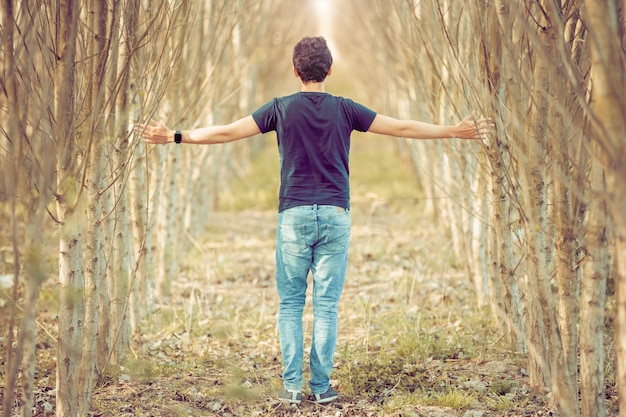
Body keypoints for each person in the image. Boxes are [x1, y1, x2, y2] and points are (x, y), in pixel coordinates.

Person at [135, 36, 491, 405]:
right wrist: (453, 130)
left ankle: (291, 388)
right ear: (330, 70)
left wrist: (175, 136)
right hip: (335, 214)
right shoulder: (346, 109)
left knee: (290, 304)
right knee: (326, 305)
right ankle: (321, 388)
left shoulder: (280, 108)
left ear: (295, 71)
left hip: (294, 216)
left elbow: (226, 132)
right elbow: (402, 128)